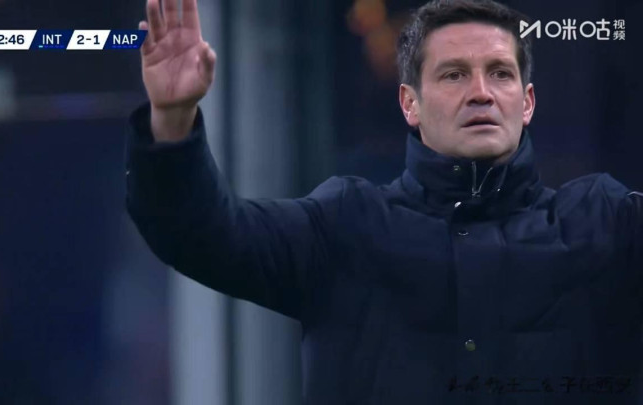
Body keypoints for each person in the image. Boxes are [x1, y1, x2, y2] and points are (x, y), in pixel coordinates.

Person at [125, 0, 643, 402]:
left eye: (501, 73)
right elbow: (202, 233)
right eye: (454, 74)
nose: (481, 92)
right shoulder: (347, 224)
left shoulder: (603, 222)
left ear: (526, 103)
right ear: (409, 103)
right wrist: (172, 118)